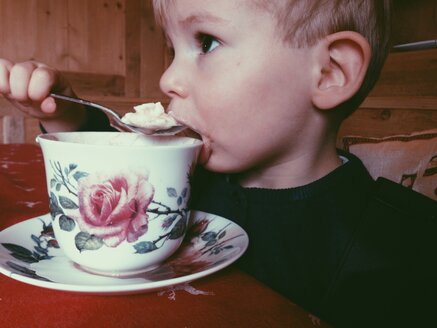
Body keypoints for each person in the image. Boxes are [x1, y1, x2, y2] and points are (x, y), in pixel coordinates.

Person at [1, 0, 436, 326]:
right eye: (170, 50)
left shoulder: (403, 252)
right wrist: (65, 113)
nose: (167, 79)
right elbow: (119, 161)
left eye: (205, 43)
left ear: (329, 72)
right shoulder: (188, 177)